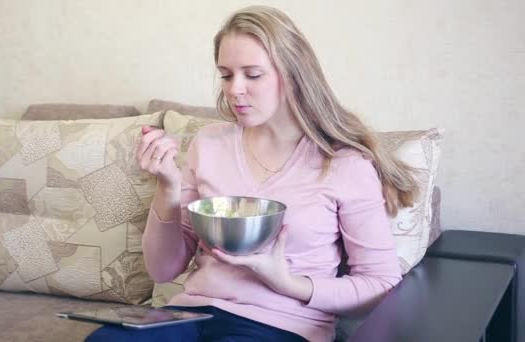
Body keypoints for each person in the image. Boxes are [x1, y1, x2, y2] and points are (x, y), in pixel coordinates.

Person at [86, 5, 419, 342]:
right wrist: (167, 188)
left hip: (281, 325)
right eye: (227, 75)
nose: (234, 89)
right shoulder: (209, 143)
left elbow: (380, 284)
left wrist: (286, 281)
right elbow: (162, 269)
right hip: (190, 314)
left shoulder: (345, 164)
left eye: (252, 74)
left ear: (292, 74)